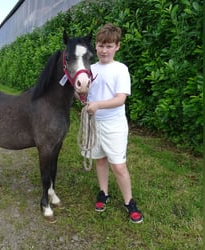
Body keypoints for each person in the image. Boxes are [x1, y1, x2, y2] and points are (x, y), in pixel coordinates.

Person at [84, 23, 143, 223]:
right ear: (96, 46)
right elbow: (84, 96)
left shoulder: (120, 69)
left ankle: (129, 202)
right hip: (94, 124)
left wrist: (98, 105)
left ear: (117, 46)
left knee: (118, 166)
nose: (104, 50)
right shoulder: (90, 69)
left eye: (109, 46)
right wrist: (78, 92)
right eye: (100, 45)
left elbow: (120, 99)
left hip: (114, 125)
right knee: (100, 160)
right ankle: (104, 193)